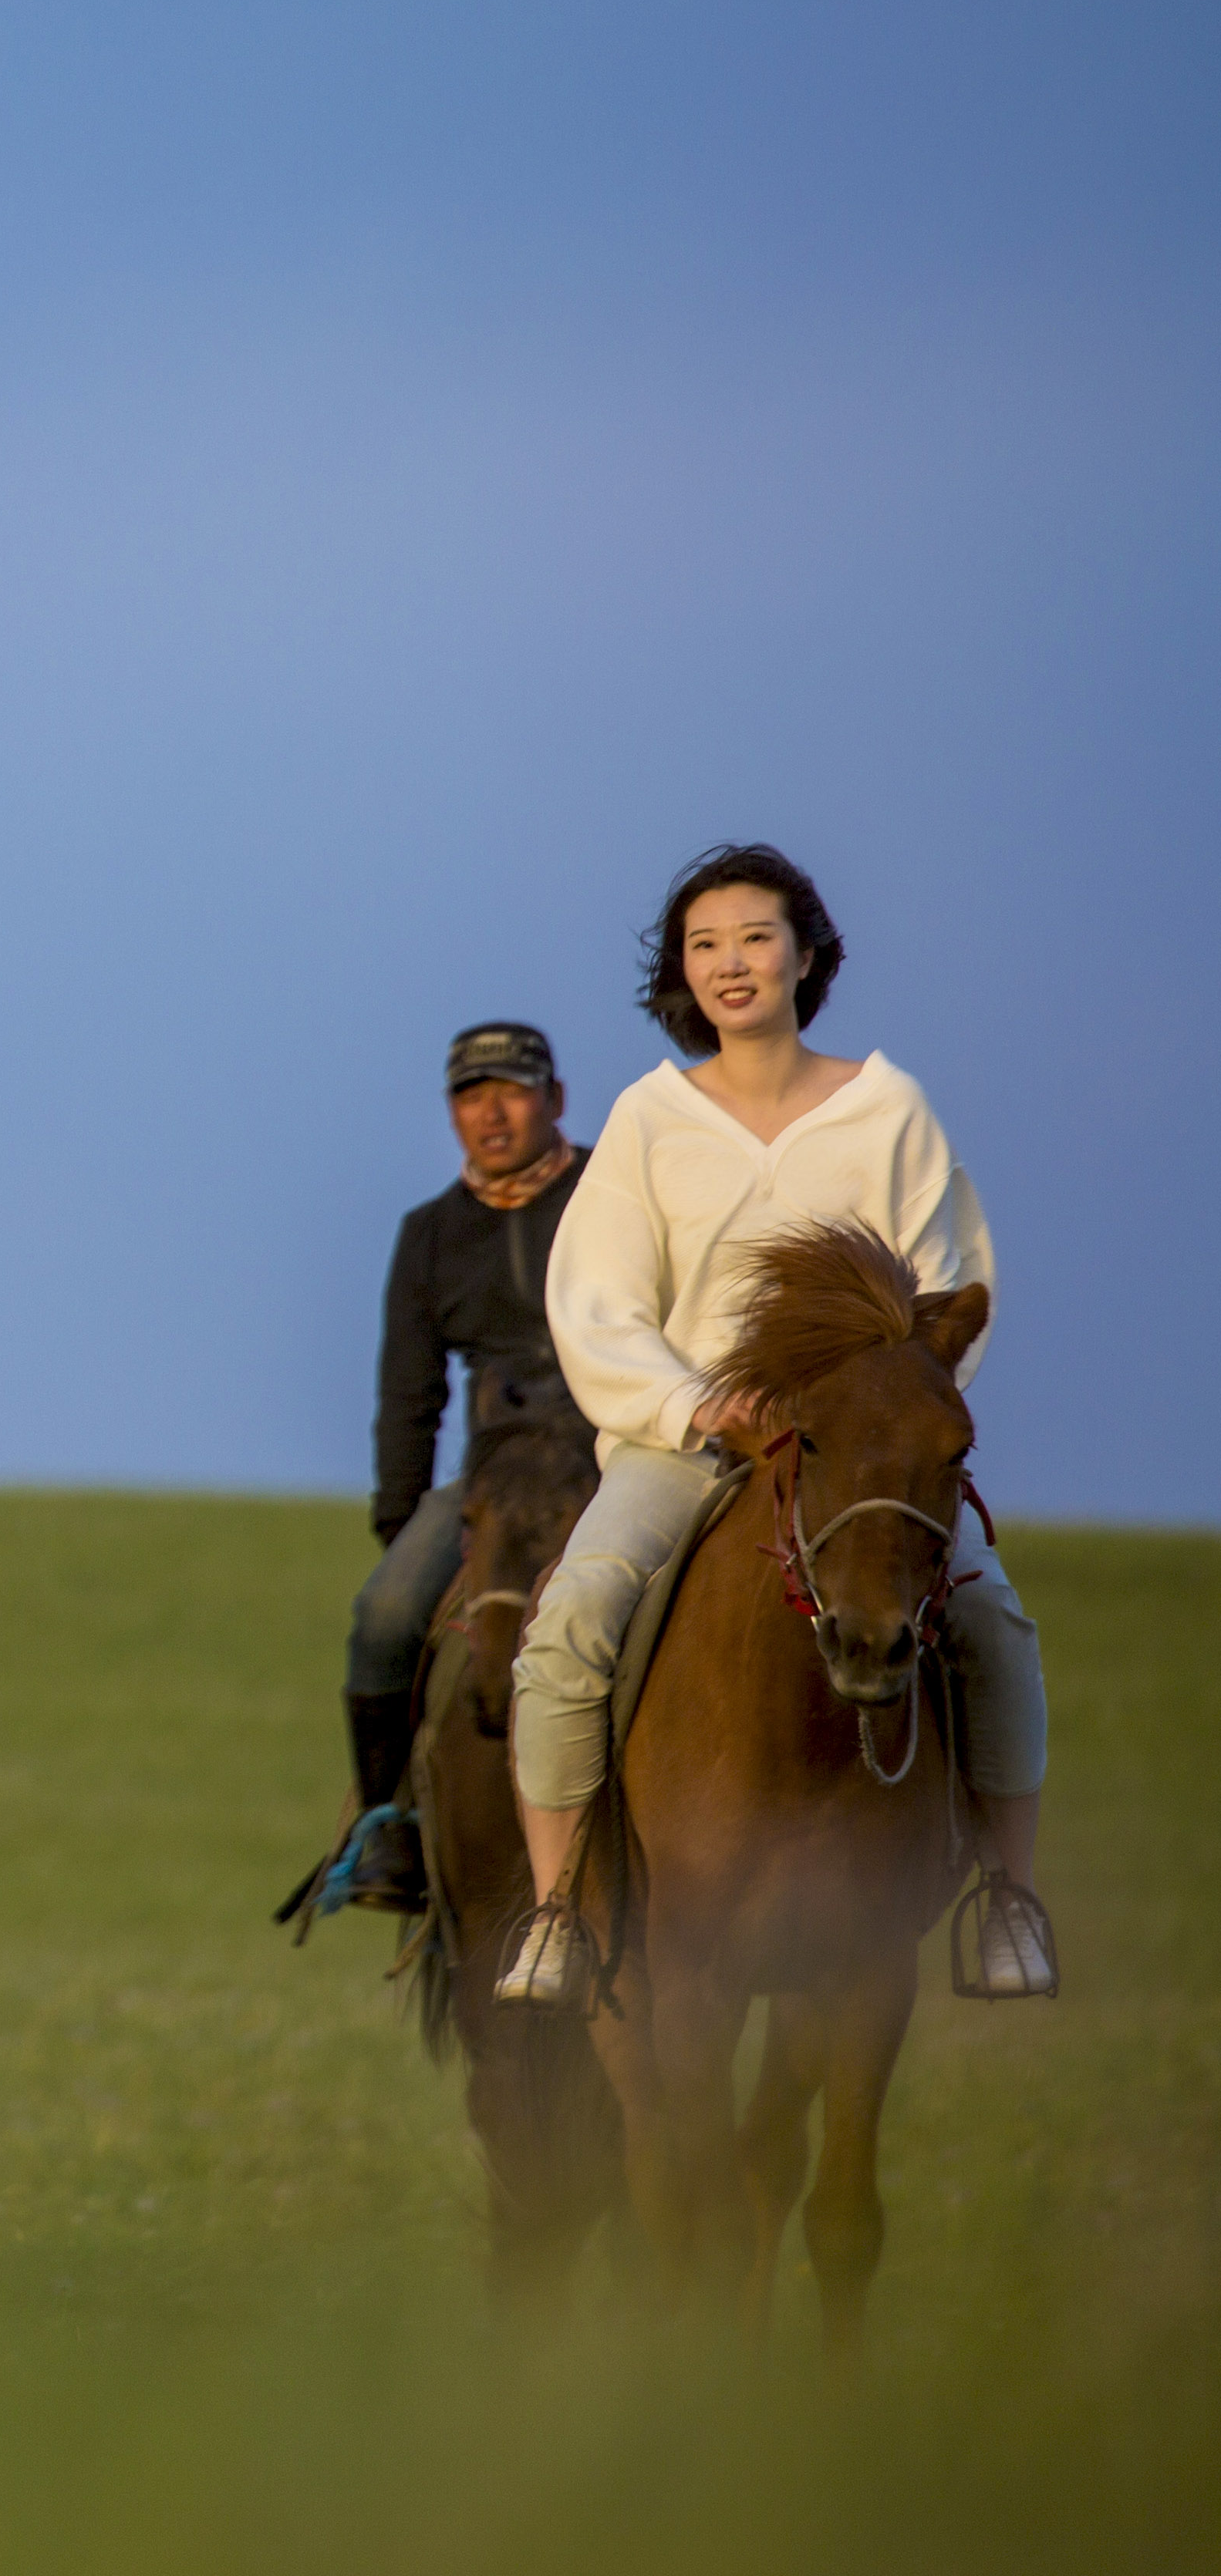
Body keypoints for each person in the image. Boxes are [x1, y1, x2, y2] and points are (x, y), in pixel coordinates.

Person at [498, 847, 1056, 2006]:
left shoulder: (889, 1111)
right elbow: (598, 1305)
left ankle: (1010, 1900)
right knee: (572, 1622)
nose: (731, 964)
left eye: (755, 937)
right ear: (682, 974)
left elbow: (948, 1299)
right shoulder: (649, 1120)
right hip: (685, 1444)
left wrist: (861, 1411)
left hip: (855, 1457)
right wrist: (697, 1403)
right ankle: (555, 1914)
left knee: (994, 1628)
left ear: (807, 952)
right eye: (704, 945)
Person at [316, 1022, 586, 1914]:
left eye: (511, 1090)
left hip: (613, 1451)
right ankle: (389, 1829)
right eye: (472, 1096)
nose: (492, 1112)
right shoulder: (430, 1235)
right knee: (386, 1613)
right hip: (495, 1475)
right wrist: (404, 1526)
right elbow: (409, 1394)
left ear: (555, 1101)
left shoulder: (612, 1192)